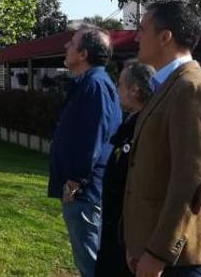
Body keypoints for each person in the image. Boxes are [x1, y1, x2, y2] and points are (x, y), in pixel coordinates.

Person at [124, 1, 201, 277]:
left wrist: (159, 253)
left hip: (177, 260)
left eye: (142, 29)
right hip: (154, 250)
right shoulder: (168, 86)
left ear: (165, 37)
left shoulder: (192, 88)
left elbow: (193, 181)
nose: (136, 37)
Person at [48, 25, 122, 277]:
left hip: (85, 192)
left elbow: (94, 137)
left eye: (72, 43)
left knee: (91, 262)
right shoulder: (88, 83)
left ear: (83, 54)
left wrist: (75, 180)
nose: (66, 47)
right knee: (87, 258)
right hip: (81, 189)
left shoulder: (95, 86)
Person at [95, 60, 155, 277]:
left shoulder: (147, 128)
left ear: (135, 90)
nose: (116, 89)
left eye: (120, 84)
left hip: (130, 240)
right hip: (114, 231)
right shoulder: (130, 125)